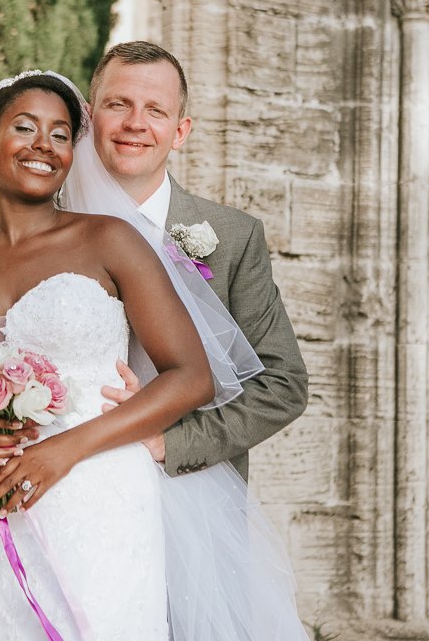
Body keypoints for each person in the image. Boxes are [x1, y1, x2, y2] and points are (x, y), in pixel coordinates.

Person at [0, 71, 307, 640]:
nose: (44, 144)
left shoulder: (108, 239)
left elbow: (192, 376)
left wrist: (61, 451)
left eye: (61, 134)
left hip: (99, 492)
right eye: (24, 127)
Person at [90, 41, 308, 481]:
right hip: (70, 481)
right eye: (118, 104)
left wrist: (167, 444)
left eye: (156, 110)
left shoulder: (233, 236)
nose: (135, 123)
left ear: (180, 131)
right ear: (89, 114)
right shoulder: (43, 230)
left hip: (190, 491)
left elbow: (282, 384)